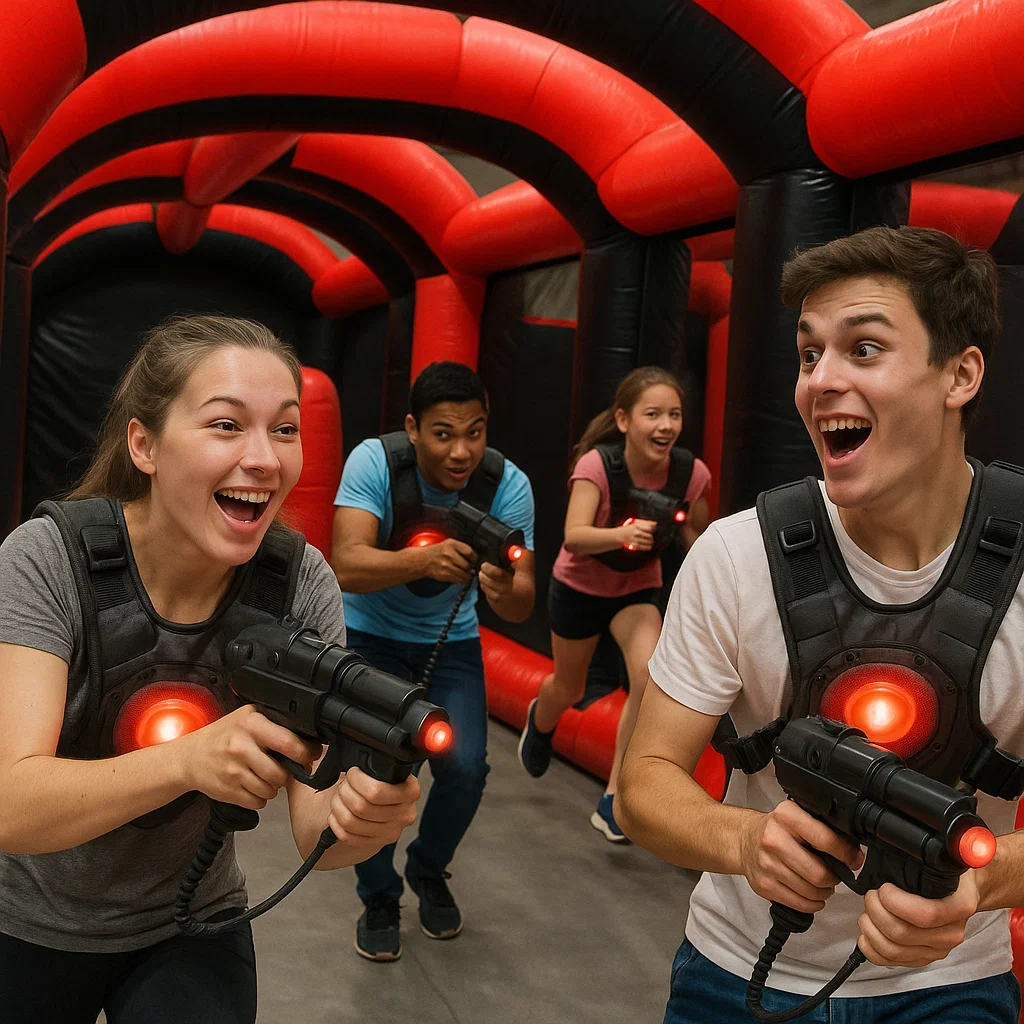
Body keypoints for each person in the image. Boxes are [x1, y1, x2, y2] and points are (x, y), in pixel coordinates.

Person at [619, 226, 1024, 1022]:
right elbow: (643, 783)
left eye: (864, 349)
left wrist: (981, 882)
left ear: (960, 374)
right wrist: (744, 841)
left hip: (950, 984)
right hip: (735, 974)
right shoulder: (736, 557)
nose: (820, 381)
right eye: (809, 355)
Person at [0, 315, 421, 1024]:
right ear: (144, 444)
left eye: (285, 429)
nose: (264, 458)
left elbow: (315, 834)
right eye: (227, 425)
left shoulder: (300, 585)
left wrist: (362, 818)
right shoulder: (48, 560)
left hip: (190, 924)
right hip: (25, 922)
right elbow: (10, 805)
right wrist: (188, 761)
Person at [331, 360, 536, 962]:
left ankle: (427, 866)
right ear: (413, 428)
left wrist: (505, 589)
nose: (461, 451)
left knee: (466, 767)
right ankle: (378, 895)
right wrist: (422, 561)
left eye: (475, 432)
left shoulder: (508, 484)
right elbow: (345, 563)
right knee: (378, 771)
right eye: (444, 433)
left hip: (452, 644)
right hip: (369, 635)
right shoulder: (375, 462)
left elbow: (522, 601)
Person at [517, 367, 711, 840]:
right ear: (624, 420)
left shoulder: (691, 474)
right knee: (570, 686)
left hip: (636, 589)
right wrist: (622, 535)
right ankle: (541, 721)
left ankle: (615, 796)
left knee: (648, 676)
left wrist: (698, 550)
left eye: (674, 415)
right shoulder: (598, 466)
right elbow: (574, 536)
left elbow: (701, 536)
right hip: (579, 588)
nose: (666, 426)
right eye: (653, 414)